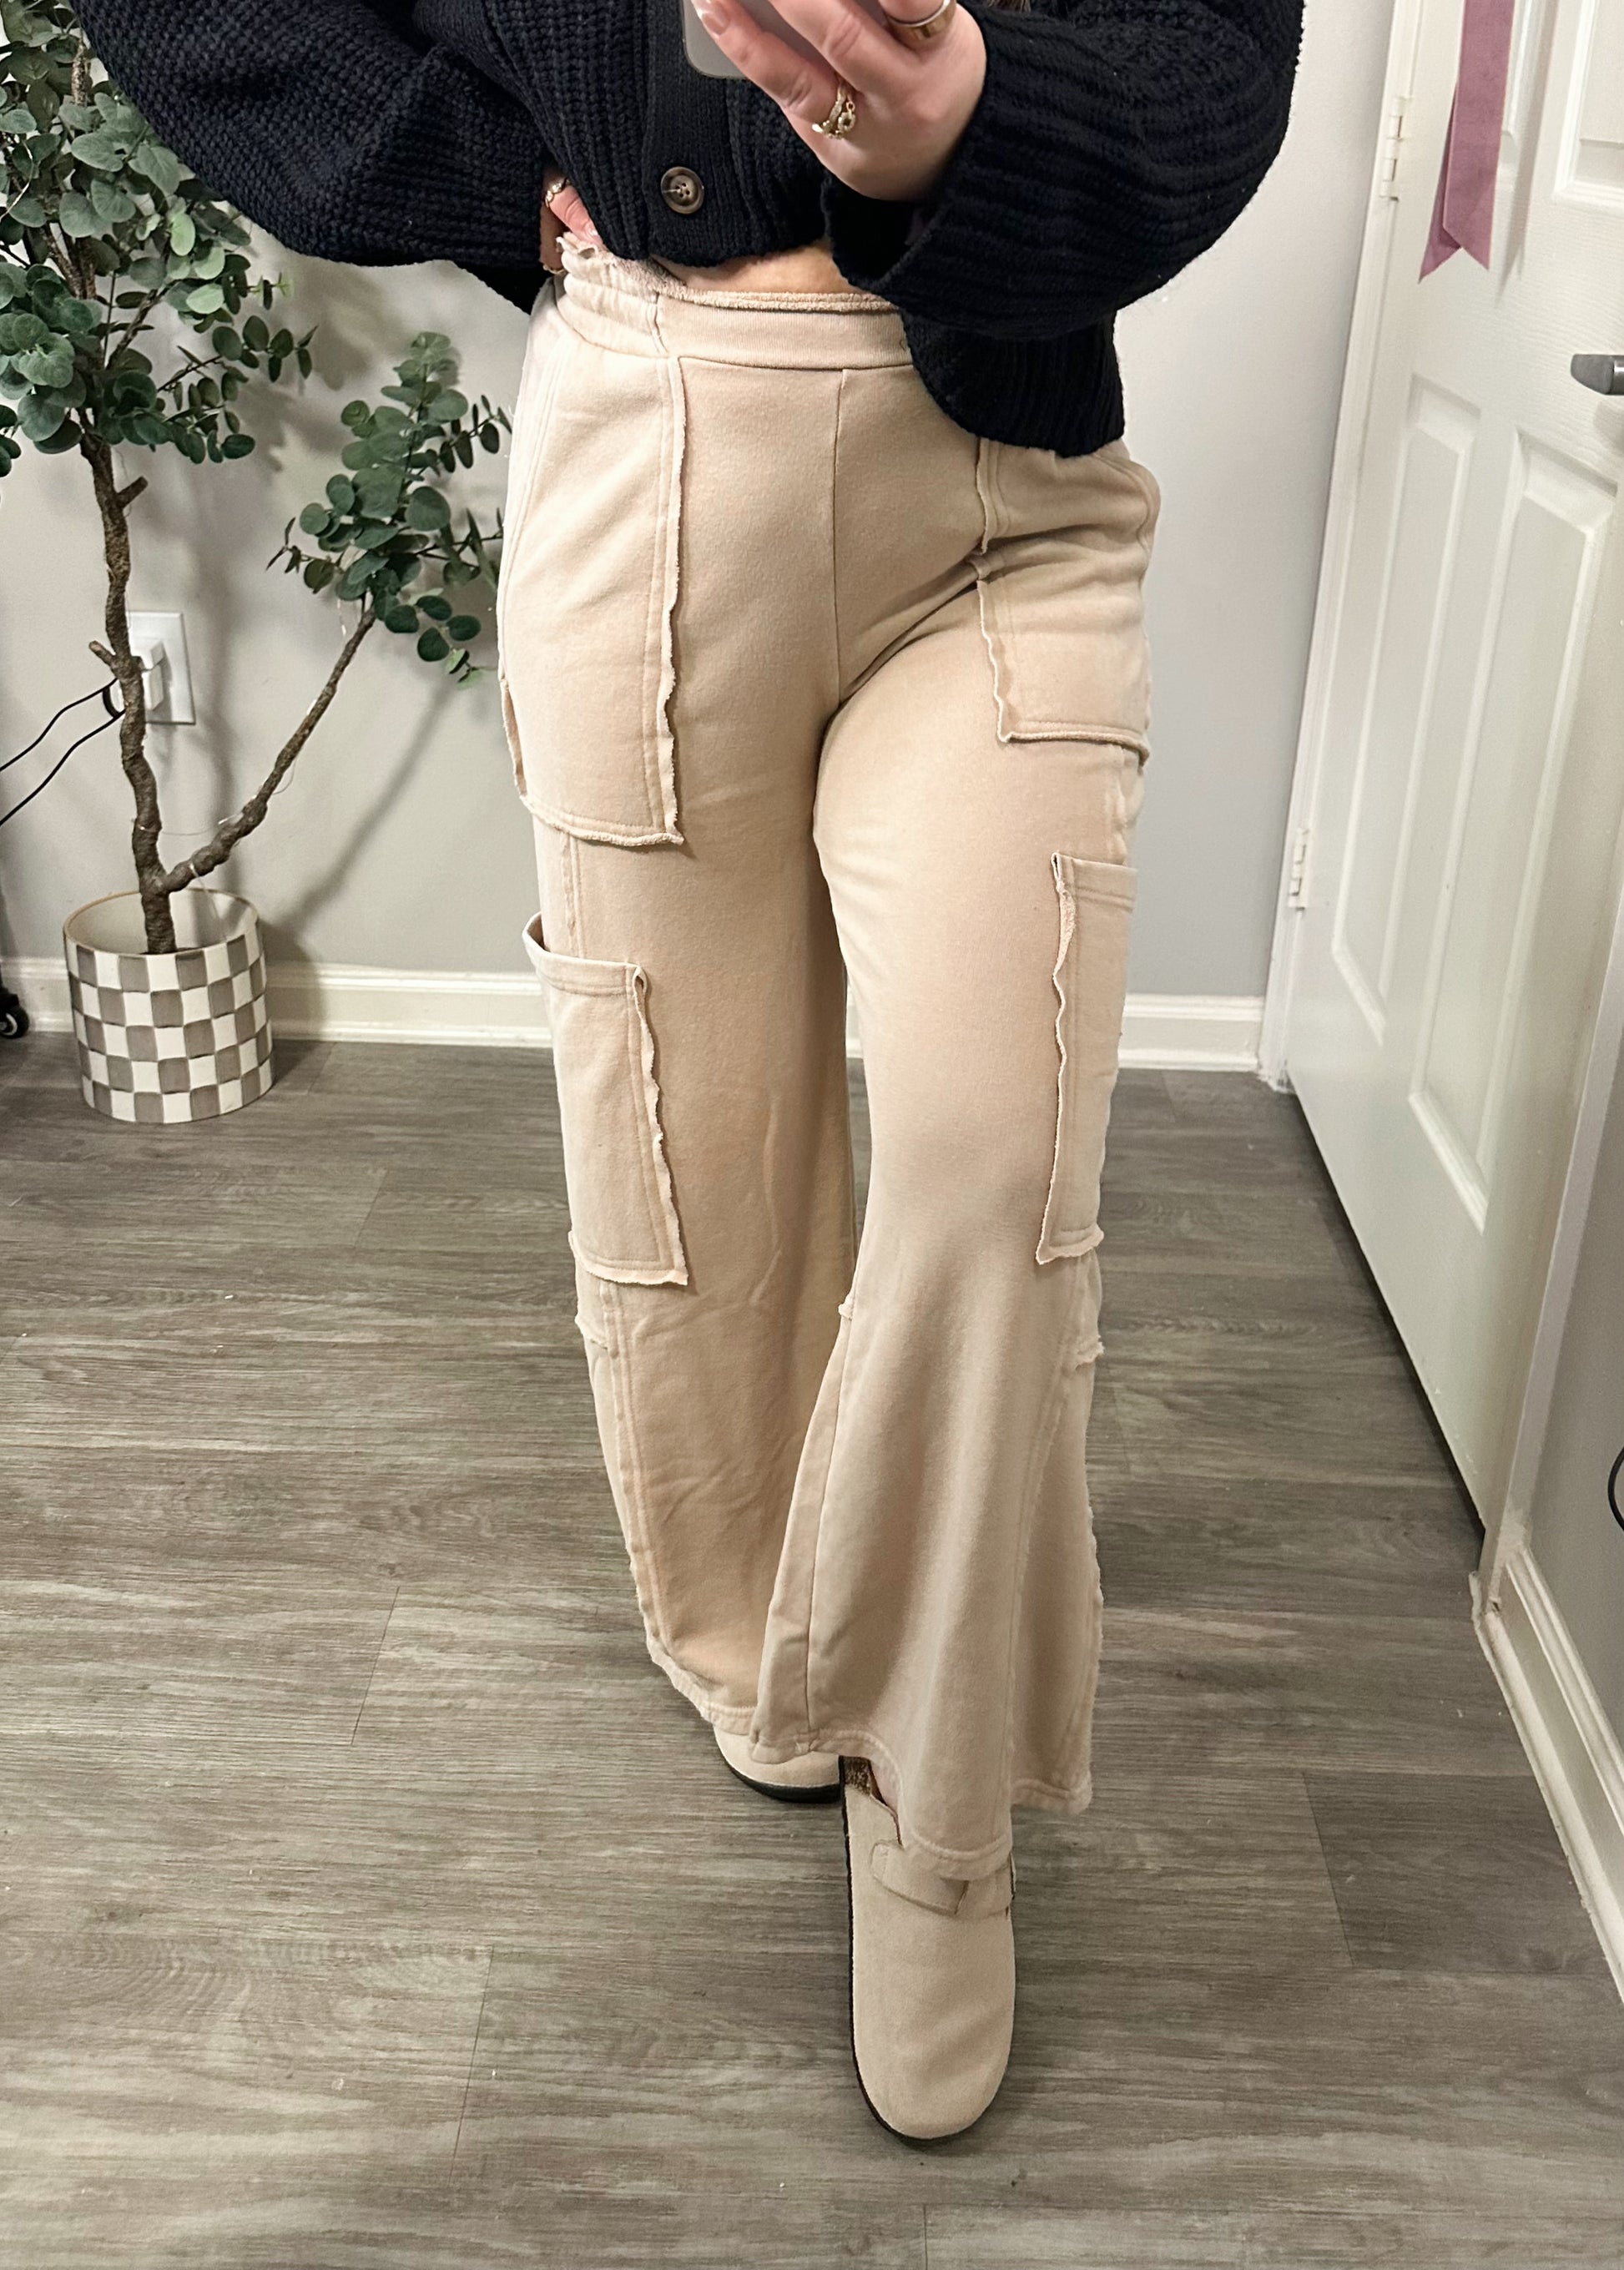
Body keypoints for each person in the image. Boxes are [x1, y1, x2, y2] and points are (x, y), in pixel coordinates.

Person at [78, 0, 1304, 2141]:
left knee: (984, 1159)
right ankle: (757, 1648)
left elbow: (1215, 48)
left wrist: (974, 120)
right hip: (645, 450)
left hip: (1004, 483)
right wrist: (481, 175)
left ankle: (936, 1805)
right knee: (687, 1152)